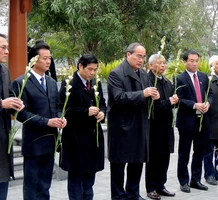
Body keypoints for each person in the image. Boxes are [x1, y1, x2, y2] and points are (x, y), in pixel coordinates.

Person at [12, 42, 67, 200]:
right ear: (34, 60)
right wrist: (46, 122)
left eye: (49, 58)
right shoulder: (21, 82)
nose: (48, 61)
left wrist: (60, 117)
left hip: (50, 140)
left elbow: (56, 105)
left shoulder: (50, 82)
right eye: (45, 58)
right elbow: (21, 114)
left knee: (45, 183)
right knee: (32, 184)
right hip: (33, 142)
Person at [107, 42, 160, 200]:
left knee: (137, 162)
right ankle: (118, 196)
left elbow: (148, 95)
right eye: (138, 56)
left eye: (143, 57)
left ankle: (133, 193)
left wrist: (155, 97)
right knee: (118, 165)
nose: (141, 60)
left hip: (140, 124)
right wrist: (142, 93)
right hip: (122, 126)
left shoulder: (143, 74)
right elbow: (119, 98)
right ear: (128, 55)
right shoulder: (116, 74)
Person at [59, 54, 107, 199]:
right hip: (76, 139)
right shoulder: (69, 84)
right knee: (76, 179)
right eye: (90, 69)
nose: (92, 73)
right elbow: (63, 110)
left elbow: (103, 103)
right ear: (80, 66)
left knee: (89, 179)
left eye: (95, 70)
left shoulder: (95, 83)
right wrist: (85, 112)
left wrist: (103, 113)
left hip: (93, 138)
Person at [176, 50, 213, 193]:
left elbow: (210, 94)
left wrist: (208, 103)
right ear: (185, 62)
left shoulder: (204, 76)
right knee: (184, 153)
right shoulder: (180, 78)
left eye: (196, 60)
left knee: (199, 151)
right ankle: (183, 181)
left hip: (203, 120)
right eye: (191, 60)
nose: (195, 63)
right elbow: (179, 99)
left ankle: (195, 179)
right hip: (187, 121)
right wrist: (194, 105)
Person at [145, 54, 178, 200]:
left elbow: (170, 103)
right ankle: (151, 187)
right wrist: (168, 102)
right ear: (151, 65)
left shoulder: (166, 81)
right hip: (153, 125)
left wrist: (175, 101)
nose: (163, 66)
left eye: (164, 63)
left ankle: (161, 185)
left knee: (165, 157)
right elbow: (152, 107)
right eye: (159, 63)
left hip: (166, 125)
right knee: (153, 158)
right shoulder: (147, 81)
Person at [0, 33, 24, 200]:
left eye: (7, 48)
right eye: (3, 48)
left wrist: (16, 105)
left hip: (2, 137)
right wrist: (2, 104)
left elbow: (9, 96)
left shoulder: (4, 71)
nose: (7, 51)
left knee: (3, 184)